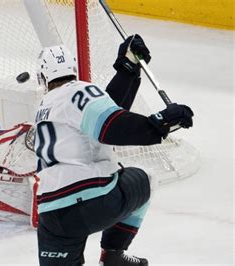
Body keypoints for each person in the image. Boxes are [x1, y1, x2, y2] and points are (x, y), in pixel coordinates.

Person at [34, 37, 194, 265]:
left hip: (52, 217)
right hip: (94, 203)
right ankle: (113, 254)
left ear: (43, 77)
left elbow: (110, 110)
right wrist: (160, 124)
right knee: (146, 178)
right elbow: (112, 126)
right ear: (73, 69)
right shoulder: (80, 90)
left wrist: (128, 69)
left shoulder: (43, 108)